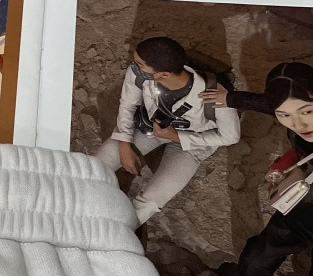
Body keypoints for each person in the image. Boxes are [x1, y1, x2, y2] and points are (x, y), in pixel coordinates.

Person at [207, 61, 313, 276]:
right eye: (285, 115)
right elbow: (265, 104)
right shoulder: (290, 116)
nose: (298, 123)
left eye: (307, 111)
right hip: (300, 209)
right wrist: (229, 98)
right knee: (255, 259)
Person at [94, 36, 240, 226]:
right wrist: (124, 143)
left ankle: (117, 230)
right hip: (149, 128)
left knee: (151, 200)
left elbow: (230, 136)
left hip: (192, 143)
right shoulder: (140, 74)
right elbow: (128, 104)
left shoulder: (215, 95)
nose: (134, 67)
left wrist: (177, 136)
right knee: (95, 166)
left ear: (164, 74)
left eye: (140, 65)